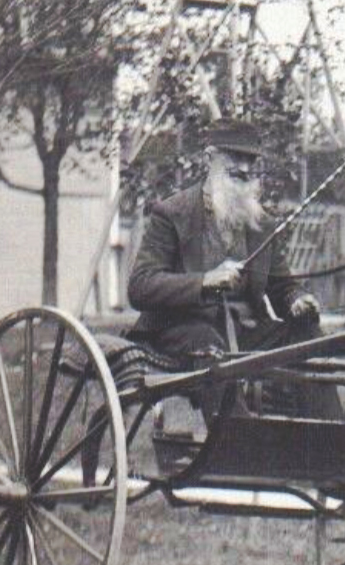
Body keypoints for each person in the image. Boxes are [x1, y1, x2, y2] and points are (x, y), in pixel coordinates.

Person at [126, 125, 323, 424]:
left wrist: (297, 299)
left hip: (243, 332)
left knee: (305, 335)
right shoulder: (171, 214)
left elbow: (282, 286)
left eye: (251, 161)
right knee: (208, 344)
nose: (244, 167)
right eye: (235, 157)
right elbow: (140, 286)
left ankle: (330, 439)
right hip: (182, 329)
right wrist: (204, 281)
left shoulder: (260, 222)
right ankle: (237, 444)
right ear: (210, 159)